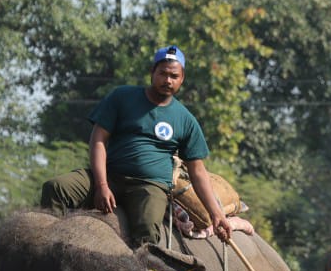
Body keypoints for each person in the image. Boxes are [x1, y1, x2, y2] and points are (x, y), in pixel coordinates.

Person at [41, 45, 232, 247]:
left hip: (149, 186)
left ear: (182, 79)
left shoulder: (186, 120)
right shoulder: (122, 97)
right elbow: (98, 139)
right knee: (55, 188)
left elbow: (198, 171)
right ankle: (45, 251)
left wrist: (217, 214)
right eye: (163, 74)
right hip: (110, 176)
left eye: (174, 76)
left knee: (147, 230)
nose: (168, 80)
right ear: (152, 73)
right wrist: (102, 186)